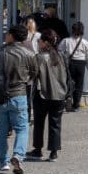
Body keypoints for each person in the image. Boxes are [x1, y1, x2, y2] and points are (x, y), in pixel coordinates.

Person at [0, 24, 38, 174]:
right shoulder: (30, 54)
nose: (5, 36)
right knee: (22, 128)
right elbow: (34, 73)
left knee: (0, 131)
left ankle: (3, 162)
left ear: (12, 36)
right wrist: (24, 80)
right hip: (19, 95)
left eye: (7, 34)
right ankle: (18, 156)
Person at [28, 29, 69, 162]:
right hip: (60, 94)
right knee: (55, 124)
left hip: (43, 94)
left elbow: (33, 75)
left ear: (45, 43)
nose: (38, 43)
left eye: (39, 41)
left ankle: (38, 150)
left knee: (39, 123)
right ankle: (53, 153)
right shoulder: (62, 55)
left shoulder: (39, 57)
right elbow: (68, 75)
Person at [58, 21, 88, 112]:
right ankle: (76, 105)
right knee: (79, 85)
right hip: (81, 64)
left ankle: (67, 98)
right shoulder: (85, 42)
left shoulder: (66, 41)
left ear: (72, 30)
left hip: (69, 63)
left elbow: (59, 52)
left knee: (67, 82)